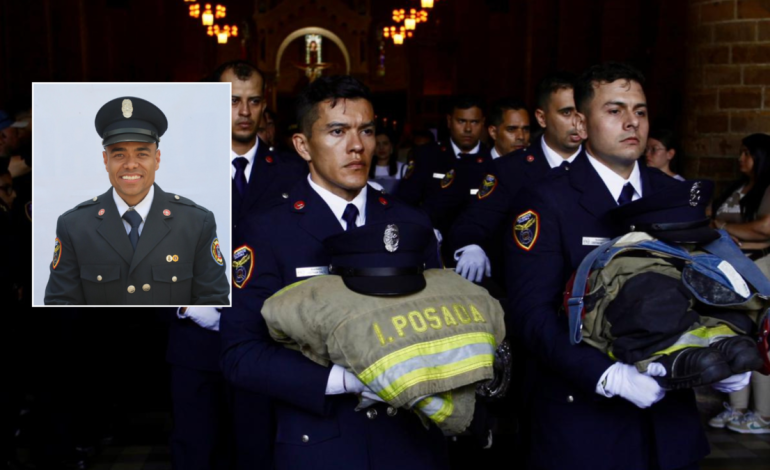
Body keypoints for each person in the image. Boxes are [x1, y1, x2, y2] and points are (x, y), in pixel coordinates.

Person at [505, 62, 747, 470]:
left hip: (668, 422)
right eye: (615, 110)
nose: (632, 122)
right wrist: (606, 375)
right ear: (580, 121)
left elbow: (703, 286)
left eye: (640, 110)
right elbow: (532, 315)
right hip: (584, 421)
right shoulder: (547, 200)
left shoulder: (674, 193)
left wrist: (724, 350)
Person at [220, 75, 452, 470]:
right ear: (302, 145)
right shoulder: (268, 231)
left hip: (411, 440)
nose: (357, 146)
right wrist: (344, 381)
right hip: (322, 440)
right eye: (337, 131)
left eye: (366, 130)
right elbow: (240, 354)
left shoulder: (409, 222)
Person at [43, 96, 229, 305]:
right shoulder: (74, 226)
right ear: (106, 160)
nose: (131, 165)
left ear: (157, 159)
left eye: (141, 154)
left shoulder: (195, 223)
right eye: (119, 155)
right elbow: (60, 303)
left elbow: (214, 301)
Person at [449, 72, 582, 285]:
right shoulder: (510, 169)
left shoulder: (602, 165)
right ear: (542, 118)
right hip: (526, 283)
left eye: (581, 113)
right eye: (566, 113)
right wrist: (472, 246)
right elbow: (476, 220)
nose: (577, 122)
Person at [709, 133, 770, 434]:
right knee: (731, 332)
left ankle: (762, 413)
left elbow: (766, 229)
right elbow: (709, 220)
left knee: (760, 338)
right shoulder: (736, 188)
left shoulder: (767, 189)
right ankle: (737, 406)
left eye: (747, 153)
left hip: (757, 267)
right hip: (726, 268)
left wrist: (724, 228)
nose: (740, 158)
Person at [396, 95, 492, 263]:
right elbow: (404, 202)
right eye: (461, 121)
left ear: (483, 123)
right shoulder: (427, 155)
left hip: (477, 254)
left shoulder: (493, 161)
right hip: (429, 250)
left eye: (474, 122)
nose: (468, 129)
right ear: (449, 121)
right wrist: (422, 227)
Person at [369, 129, 403, 193]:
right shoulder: (365, 168)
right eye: (377, 144)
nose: (381, 147)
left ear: (391, 147)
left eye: (385, 143)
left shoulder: (402, 168)